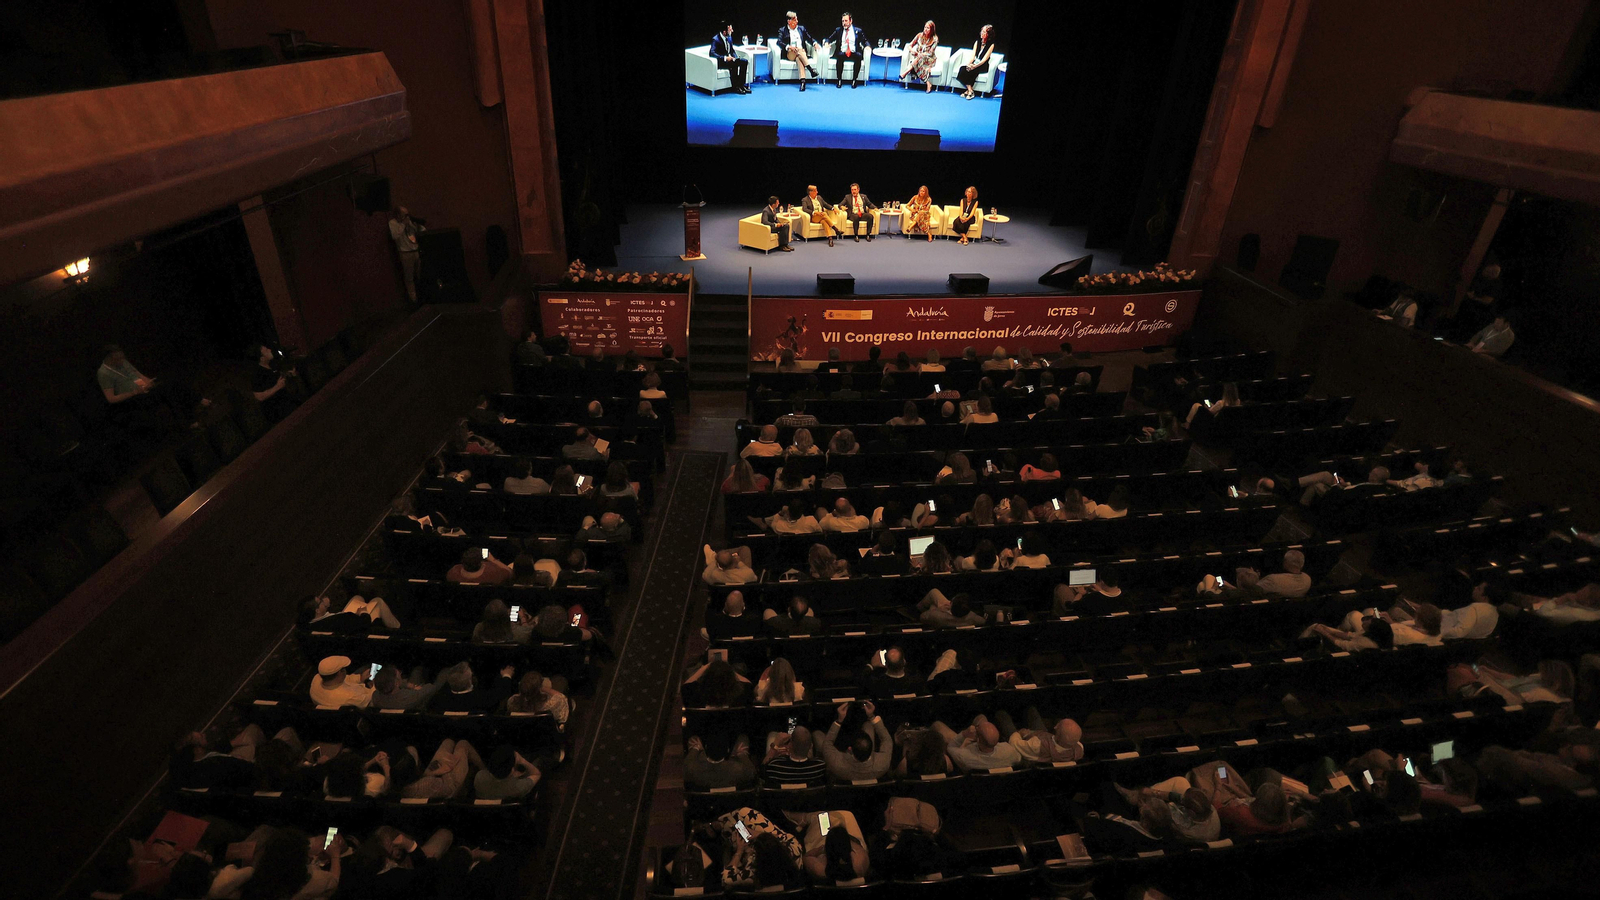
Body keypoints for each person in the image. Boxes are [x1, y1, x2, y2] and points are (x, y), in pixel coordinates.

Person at [706, 807, 803, 889]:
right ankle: (720, 826)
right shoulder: (795, 848)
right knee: (743, 815)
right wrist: (758, 834)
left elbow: (726, 880)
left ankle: (716, 826)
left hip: (737, 856)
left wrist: (739, 851)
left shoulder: (753, 873)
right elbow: (782, 837)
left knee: (740, 816)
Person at [820, 700, 892, 781]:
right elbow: (887, 740)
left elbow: (826, 744)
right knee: (868, 725)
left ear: (849, 749)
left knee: (817, 734)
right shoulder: (883, 764)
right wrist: (872, 716)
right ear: (872, 748)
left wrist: (839, 720)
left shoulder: (837, 764)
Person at [995, 708, 1084, 764]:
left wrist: (1019, 733)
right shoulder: (1079, 749)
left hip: (1029, 743)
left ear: (1056, 727)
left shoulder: (1037, 746)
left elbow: (1015, 744)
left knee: (1002, 715)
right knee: (1032, 711)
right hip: (1041, 738)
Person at [935, 716, 1022, 771]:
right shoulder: (1010, 752)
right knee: (981, 717)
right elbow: (1019, 758)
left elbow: (951, 747)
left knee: (937, 724)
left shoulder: (964, 756)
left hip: (964, 750)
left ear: (978, 740)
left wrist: (964, 734)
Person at [685, 734, 757, 790]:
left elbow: (686, 767)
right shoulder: (738, 770)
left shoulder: (694, 771)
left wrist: (695, 749)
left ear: (706, 748)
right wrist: (742, 754)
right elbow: (752, 772)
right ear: (728, 750)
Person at [473, 745, 541, 801]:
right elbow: (537, 774)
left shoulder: (479, 777)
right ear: (512, 770)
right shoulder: (519, 786)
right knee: (540, 760)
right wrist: (522, 760)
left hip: (492, 811)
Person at [777, 11, 820, 90]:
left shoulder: (801, 29)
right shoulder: (783, 30)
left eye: (797, 19)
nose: (797, 21)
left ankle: (803, 82)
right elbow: (779, 42)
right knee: (798, 51)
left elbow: (809, 38)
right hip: (790, 54)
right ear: (789, 21)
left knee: (799, 58)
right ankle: (810, 69)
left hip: (800, 53)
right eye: (795, 20)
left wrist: (815, 43)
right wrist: (789, 47)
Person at [389, 206, 422, 302]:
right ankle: (413, 299)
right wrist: (403, 224)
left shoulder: (408, 221)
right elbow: (395, 236)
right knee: (409, 277)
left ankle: (422, 293)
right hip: (405, 253)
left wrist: (412, 224)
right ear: (398, 215)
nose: (406, 216)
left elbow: (416, 232)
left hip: (415, 250)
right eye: (404, 214)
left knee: (420, 273)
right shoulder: (393, 223)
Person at [249, 343, 290, 419]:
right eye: (266, 350)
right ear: (262, 358)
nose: (270, 350)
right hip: (275, 411)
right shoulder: (257, 375)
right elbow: (259, 397)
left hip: (285, 401)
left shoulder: (273, 364)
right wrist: (277, 387)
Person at [956, 25, 996, 99]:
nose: (981, 33)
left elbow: (984, 60)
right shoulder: (977, 42)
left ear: (988, 34)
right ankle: (970, 90)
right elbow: (973, 56)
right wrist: (969, 64)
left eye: (984, 32)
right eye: (981, 31)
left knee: (972, 71)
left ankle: (969, 92)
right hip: (975, 63)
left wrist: (974, 66)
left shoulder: (991, 45)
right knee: (963, 69)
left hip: (983, 65)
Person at [827, 13, 867, 88]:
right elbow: (829, 38)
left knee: (859, 56)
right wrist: (826, 43)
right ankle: (839, 80)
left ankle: (854, 80)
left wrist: (868, 46)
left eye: (846, 21)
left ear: (851, 21)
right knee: (839, 57)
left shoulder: (858, 31)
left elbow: (865, 41)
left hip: (853, 52)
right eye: (843, 21)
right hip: (843, 52)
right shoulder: (838, 30)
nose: (844, 23)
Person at [710, 22, 751, 94]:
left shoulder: (729, 38)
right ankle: (736, 87)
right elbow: (712, 53)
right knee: (733, 64)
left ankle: (742, 85)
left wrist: (735, 57)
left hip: (730, 60)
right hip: (721, 62)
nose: (732, 31)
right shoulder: (716, 39)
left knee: (744, 61)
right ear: (724, 32)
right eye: (730, 30)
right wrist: (725, 58)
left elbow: (732, 50)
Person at [916, 589, 984, 628]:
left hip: (939, 618)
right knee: (934, 592)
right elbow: (983, 621)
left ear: (951, 605)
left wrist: (938, 609)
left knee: (933, 603)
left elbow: (922, 616)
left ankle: (915, 609)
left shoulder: (936, 616)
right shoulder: (974, 618)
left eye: (951, 602)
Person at [902, 20, 939, 91]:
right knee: (918, 60)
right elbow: (910, 45)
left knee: (918, 60)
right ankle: (928, 83)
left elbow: (930, 53)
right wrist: (912, 51)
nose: (925, 29)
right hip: (919, 58)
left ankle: (906, 72)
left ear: (931, 30)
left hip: (929, 59)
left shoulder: (935, 39)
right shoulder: (919, 35)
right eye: (925, 27)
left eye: (928, 28)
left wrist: (921, 54)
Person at [447, 548, 513, 585]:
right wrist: (493, 560)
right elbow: (510, 573)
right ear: (481, 563)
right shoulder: (494, 573)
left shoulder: (453, 573)